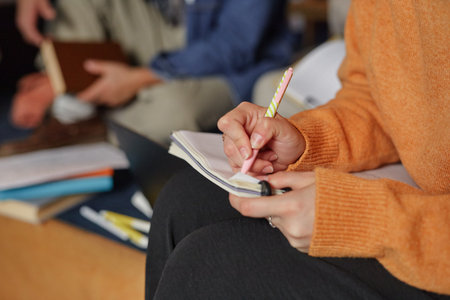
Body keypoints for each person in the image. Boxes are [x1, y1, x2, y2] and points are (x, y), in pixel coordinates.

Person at [145, 0, 449, 299]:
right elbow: (374, 94)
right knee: (184, 199)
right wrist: (306, 140)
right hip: (418, 200)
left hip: (434, 243)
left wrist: (372, 220)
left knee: (214, 263)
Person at [11, 0, 294, 145]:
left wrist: (135, 80)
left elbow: (233, 46)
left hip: (226, 57)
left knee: (176, 111)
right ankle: (66, 87)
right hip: (162, 25)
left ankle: (88, 119)